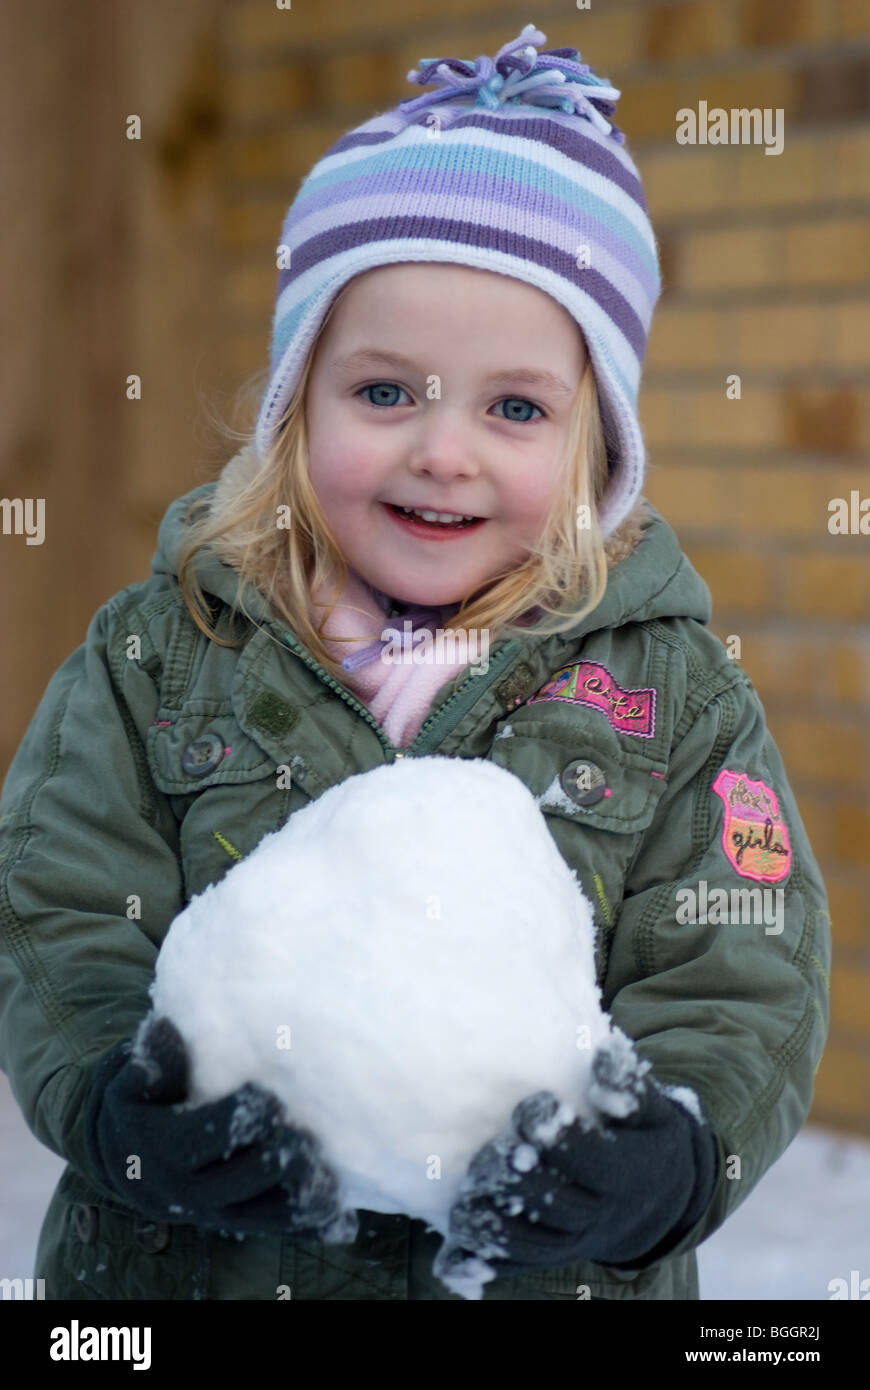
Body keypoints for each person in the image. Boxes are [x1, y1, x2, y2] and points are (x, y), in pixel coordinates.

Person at [0, 24, 830, 1302]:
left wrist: (668, 1156)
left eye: (514, 409)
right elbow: (57, 904)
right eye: (386, 393)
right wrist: (122, 1102)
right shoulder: (161, 652)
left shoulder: (676, 700)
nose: (444, 452)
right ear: (294, 407)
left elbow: (740, 967)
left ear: (596, 454)